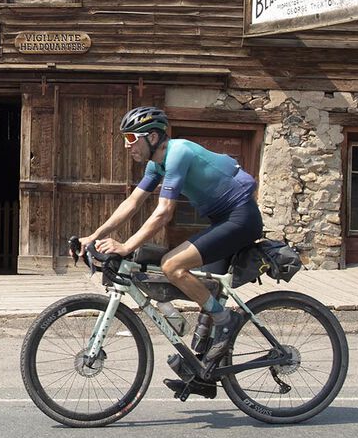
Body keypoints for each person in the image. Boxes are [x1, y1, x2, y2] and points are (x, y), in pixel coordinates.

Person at [80, 106, 263, 396]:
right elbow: (132, 203)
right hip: (223, 219)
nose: (127, 145)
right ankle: (204, 376)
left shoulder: (178, 153)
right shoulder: (156, 164)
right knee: (207, 293)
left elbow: (163, 212)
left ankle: (228, 321)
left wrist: (126, 245)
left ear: (152, 136)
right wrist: (95, 235)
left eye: (131, 138)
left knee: (171, 266)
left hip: (241, 217)